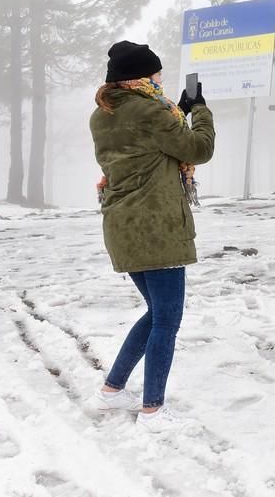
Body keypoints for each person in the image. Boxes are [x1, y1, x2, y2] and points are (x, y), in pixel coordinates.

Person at [88, 40, 215, 432]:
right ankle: (153, 411)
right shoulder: (152, 111)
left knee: (157, 313)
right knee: (167, 319)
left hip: (122, 225)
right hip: (156, 226)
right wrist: (199, 110)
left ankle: (112, 390)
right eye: (156, 73)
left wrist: (174, 111)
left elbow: (148, 145)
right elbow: (198, 148)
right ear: (141, 77)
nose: (160, 78)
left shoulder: (103, 114)